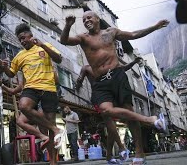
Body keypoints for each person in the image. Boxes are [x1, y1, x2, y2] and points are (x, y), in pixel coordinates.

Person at [61, 11, 169, 164]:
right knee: (106, 111)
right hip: (100, 83)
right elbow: (64, 40)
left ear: (98, 19)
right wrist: (67, 25)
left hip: (118, 76)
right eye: (84, 19)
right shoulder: (83, 38)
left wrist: (154, 27)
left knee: (129, 114)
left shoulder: (111, 32)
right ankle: (151, 120)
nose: (86, 21)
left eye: (89, 17)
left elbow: (132, 34)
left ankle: (139, 153)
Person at [0, 23, 64, 165]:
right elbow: (10, 73)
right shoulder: (20, 56)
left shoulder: (44, 46)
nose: (22, 41)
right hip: (31, 88)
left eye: (24, 37)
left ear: (30, 36)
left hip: (49, 88)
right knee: (23, 106)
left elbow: (58, 59)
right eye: (20, 39)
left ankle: (53, 162)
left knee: (50, 124)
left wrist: (43, 45)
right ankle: (55, 129)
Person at [75, 57, 142, 163]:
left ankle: (109, 156)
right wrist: (78, 83)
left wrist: (133, 62)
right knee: (110, 123)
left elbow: (123, 68)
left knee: (111, 128)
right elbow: (80, 79)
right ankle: (121, 147)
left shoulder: (107, 68)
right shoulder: (86, 68)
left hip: (110, 98)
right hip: (98, 97)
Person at [0, 74, 50, 150]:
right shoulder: (23, 83)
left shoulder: (36, 76)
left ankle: (50, 147)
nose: (16, 79)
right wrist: (2, 85)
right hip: (30, 106)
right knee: (20, 121)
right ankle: (43, 137)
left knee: (43, 124)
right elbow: (13, 91)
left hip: (40, 101)